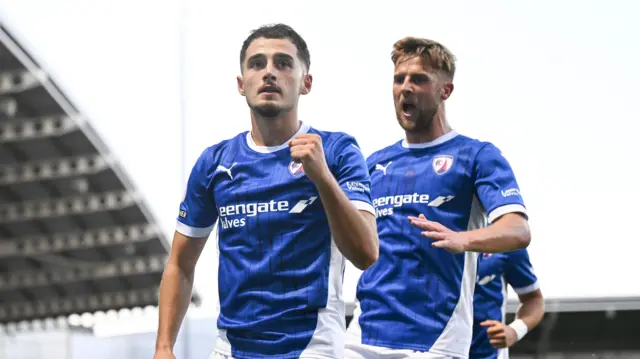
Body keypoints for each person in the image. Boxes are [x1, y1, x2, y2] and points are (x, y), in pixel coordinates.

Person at [153, 23, 379, 359]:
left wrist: (323, 178)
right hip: (231, 347)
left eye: (283, 64)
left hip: (311, 346)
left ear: (306, 82)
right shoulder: (215, 162)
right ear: (242, 84)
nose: (269, 72)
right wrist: (163, 347)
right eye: (257, 64)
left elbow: (366, 253)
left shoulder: (337, 150)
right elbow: (180, 264)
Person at [345, 37, 532, 359]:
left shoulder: (477, 155)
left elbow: (518, 230)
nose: (405, 87)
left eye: (418, 79)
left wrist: (464, 239)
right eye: (398, 79)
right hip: (362, 335)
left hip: (436, 342)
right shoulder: (374, 163)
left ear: (445, 90)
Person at [470, 250, 544, 359]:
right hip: (439, 347)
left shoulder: (505, 241)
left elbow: (533, 299)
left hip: (486, 353)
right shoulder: (437, 243)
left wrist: (515, 331)